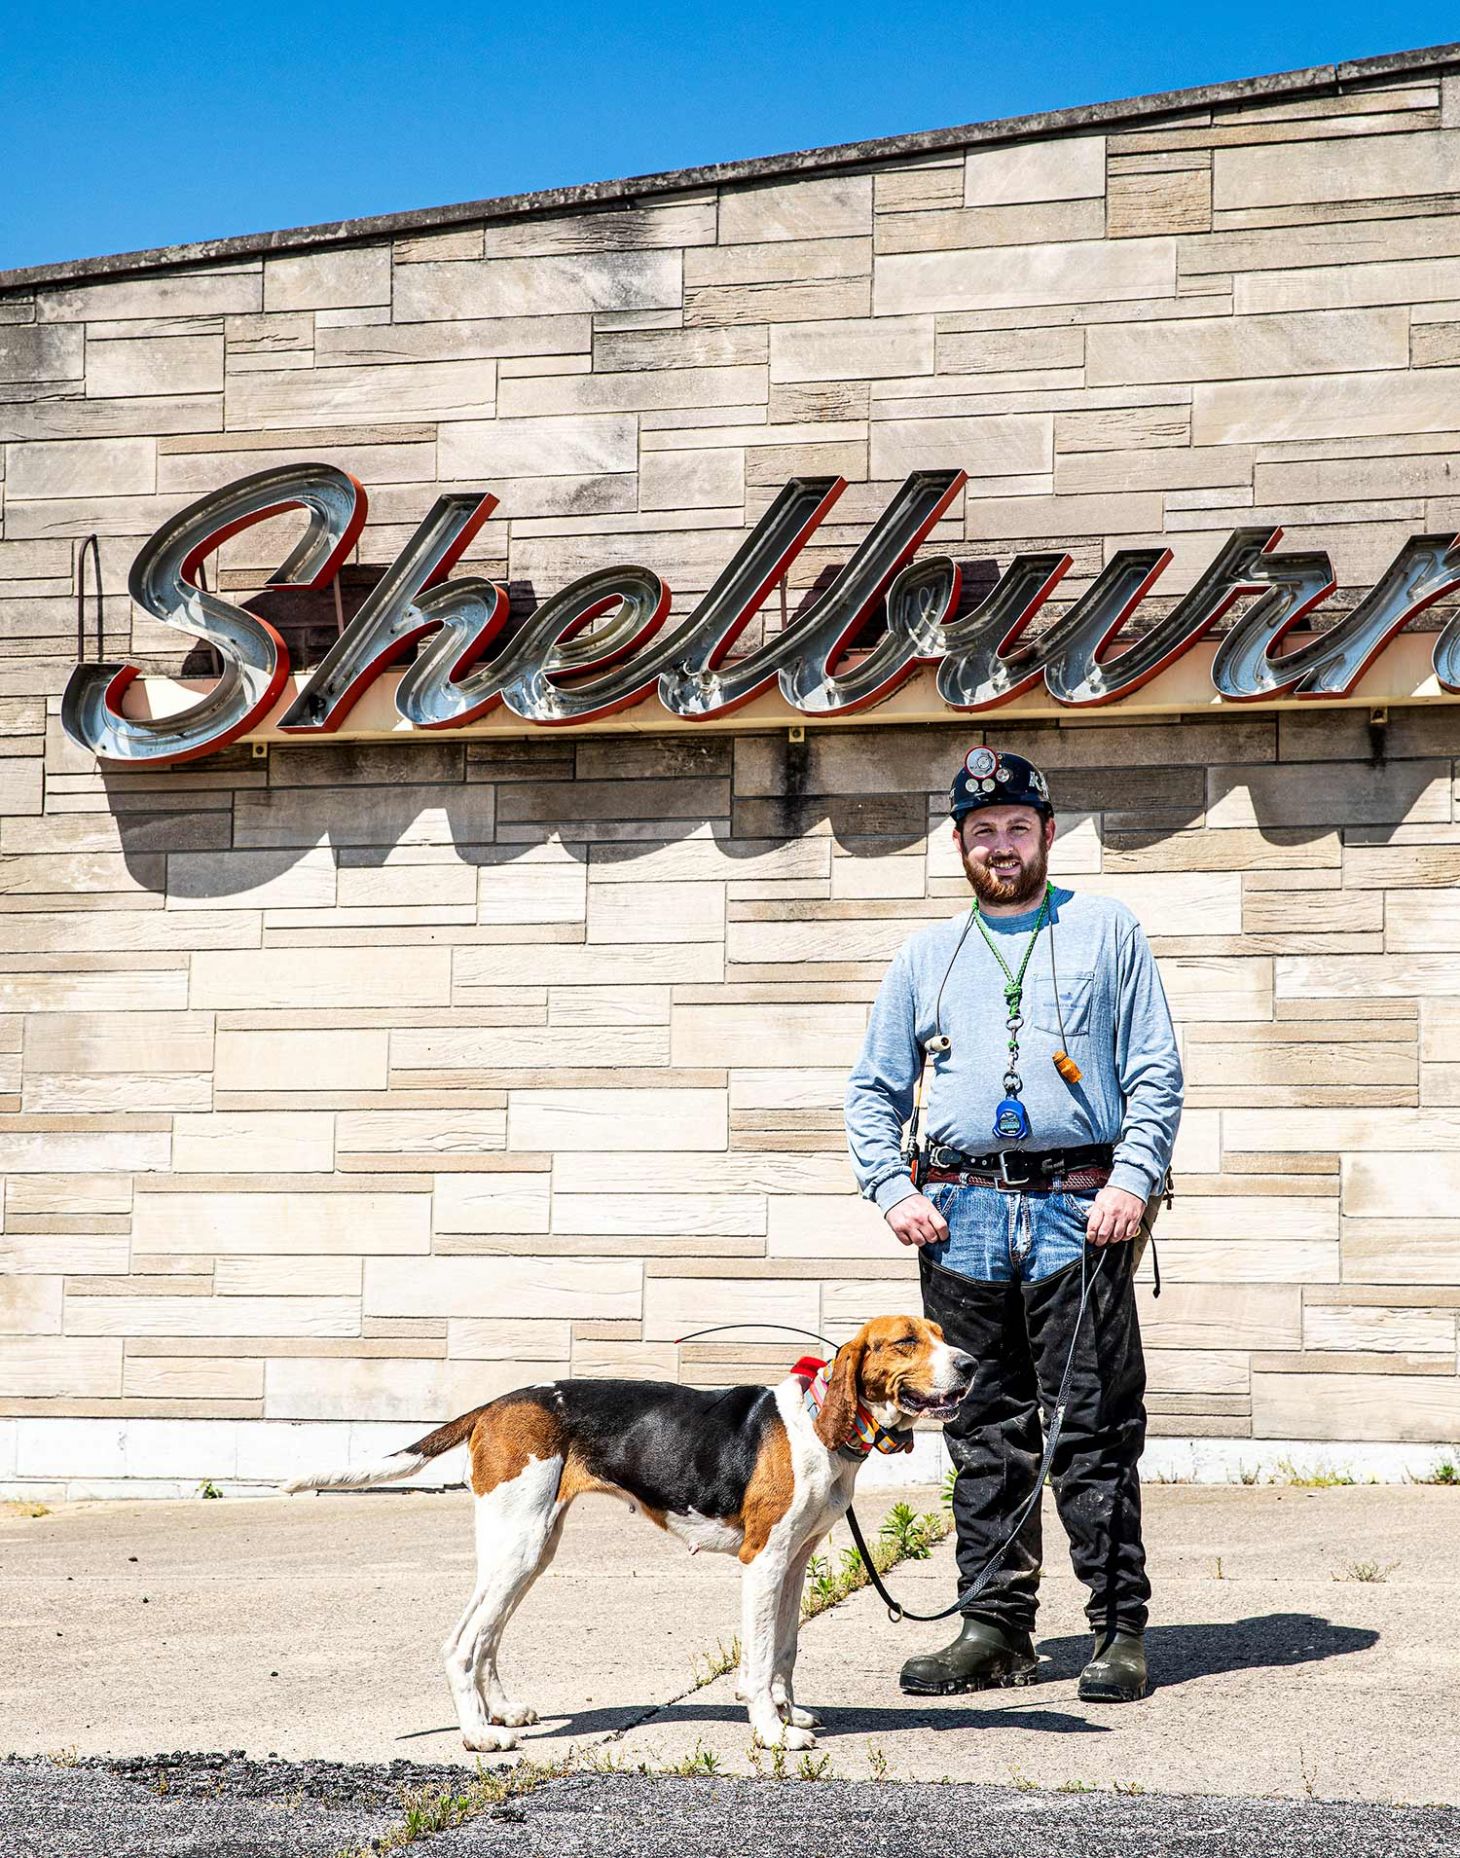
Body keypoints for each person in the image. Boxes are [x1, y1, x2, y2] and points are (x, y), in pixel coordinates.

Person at [843, 747, 1183, 1703]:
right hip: (961, 1217)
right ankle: (994, 1628)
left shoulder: (1106, 929)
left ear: (1047, 832)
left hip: (1085, 1213)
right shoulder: (925, 956)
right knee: (982, 1428)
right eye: (982, 831)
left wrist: (1134, 1175)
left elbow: (1155, 1069)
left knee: (1094, 1432)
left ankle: (1118, 1629)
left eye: (1018, 828)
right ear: (959, 844)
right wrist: (891, 1188)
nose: (1001, 845)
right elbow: (872, 1090)